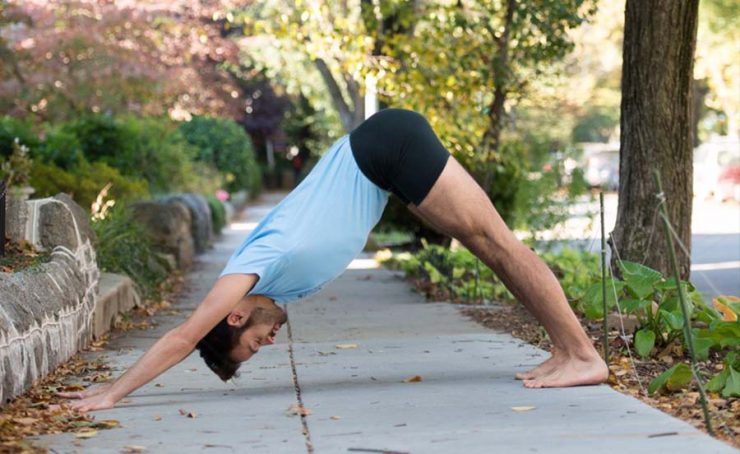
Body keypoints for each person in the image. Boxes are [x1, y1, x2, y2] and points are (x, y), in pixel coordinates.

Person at [61, 109, 608, 412]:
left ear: (234, 315)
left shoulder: (250, 272)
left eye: (255, 343)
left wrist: (111, 394)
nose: (269, 342)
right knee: (491, 249)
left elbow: (182, 337)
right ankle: (566, 350)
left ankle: (582, 354)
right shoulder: (278, 289)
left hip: (385, 148)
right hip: (383, 162)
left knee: (497, 242)